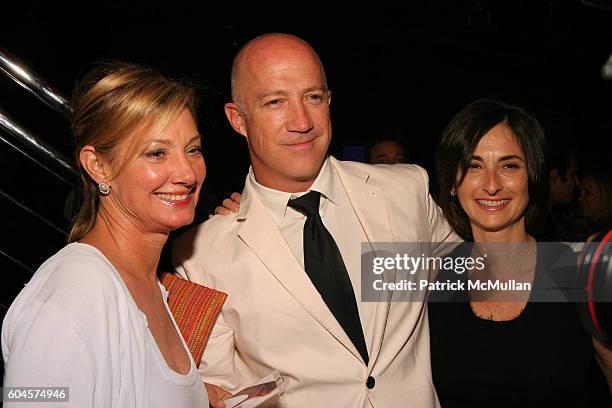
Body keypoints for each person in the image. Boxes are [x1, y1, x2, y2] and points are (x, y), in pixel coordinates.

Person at [173, 33, 457, 407]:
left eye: (313, 98)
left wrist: (512, 213)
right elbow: (223, 393)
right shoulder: (196, 258)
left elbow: (488, 282)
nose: (301, 121)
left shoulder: (404, 190)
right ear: (238, 120)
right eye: (275, 102)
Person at [1, 63, 211, 407]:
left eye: (193, 149)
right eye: (157, 153)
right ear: (99, 166)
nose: (187, 173)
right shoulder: (73, 294)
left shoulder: (149, 286)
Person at [428, 99, 612, 407]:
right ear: (452, 183)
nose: (491, 185)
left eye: (509, 165)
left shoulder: (578, 271)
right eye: (474, 166)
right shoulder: (432, 276)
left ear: (533, 176)